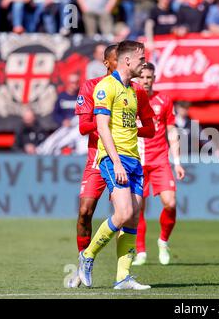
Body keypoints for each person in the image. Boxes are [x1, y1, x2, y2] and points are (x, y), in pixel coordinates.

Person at [70, 42, 155, 289]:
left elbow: (148, 126)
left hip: (133, 159)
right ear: (116, 61)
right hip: (107, 157)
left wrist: (131, 131)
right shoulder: (100, 87)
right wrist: (115, 159)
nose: (144, 63)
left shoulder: (133, 90)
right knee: (96, 211)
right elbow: (96, 126)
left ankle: (123, 278)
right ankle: (86, 256)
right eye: (141, 59)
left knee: (132, 218)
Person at [132, 62, 186, 266]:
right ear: (137, 77)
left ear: (154, 78)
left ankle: (163, 241)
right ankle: (141, 252)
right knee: (137, 210)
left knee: (170, 203)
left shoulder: (163, 100)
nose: (145, 81)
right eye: (142, 77)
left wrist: (178, 162)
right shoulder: (130, 98)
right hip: (136, 161)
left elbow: (171, 130)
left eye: (149, 77)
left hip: (159, 159)